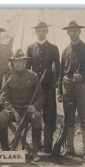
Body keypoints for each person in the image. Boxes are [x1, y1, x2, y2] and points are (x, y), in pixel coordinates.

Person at [58, 21, 85, 160]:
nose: (73, 33)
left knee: (84, 119)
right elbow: (60, 73)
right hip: (67, 87)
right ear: (67, 33)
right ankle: (70, 148)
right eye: (71, 31)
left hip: (81, 87)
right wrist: (59, 91)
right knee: (69, 119)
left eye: (75, 31)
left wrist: (83, 76)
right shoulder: (65, 51)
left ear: (79, 32)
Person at [0, 49, 45, 162]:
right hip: (12, 111)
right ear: (12, 63)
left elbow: (41, 96)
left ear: (25, 63)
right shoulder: (7, 77)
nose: (18, 64)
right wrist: (14, 112)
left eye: (21, 61)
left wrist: (35, 106)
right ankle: (5, 150)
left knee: (36, 116)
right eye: (16, 62)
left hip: (29, 110)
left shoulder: (33, 76)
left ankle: (35, 151)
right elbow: (4, 98)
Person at [26, 21, 60, 155]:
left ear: (47, 31)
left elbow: (58, 67)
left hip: (48, 87)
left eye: (43, 30)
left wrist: (57, 83)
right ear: (35, 32)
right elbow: (27, 68)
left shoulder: (53, 48)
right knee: (34, 115)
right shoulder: (30, 47)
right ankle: (36, 145)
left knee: (49, 116)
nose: (41, 33)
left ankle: (47, 147)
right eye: (39, 30)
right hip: (34, 89)